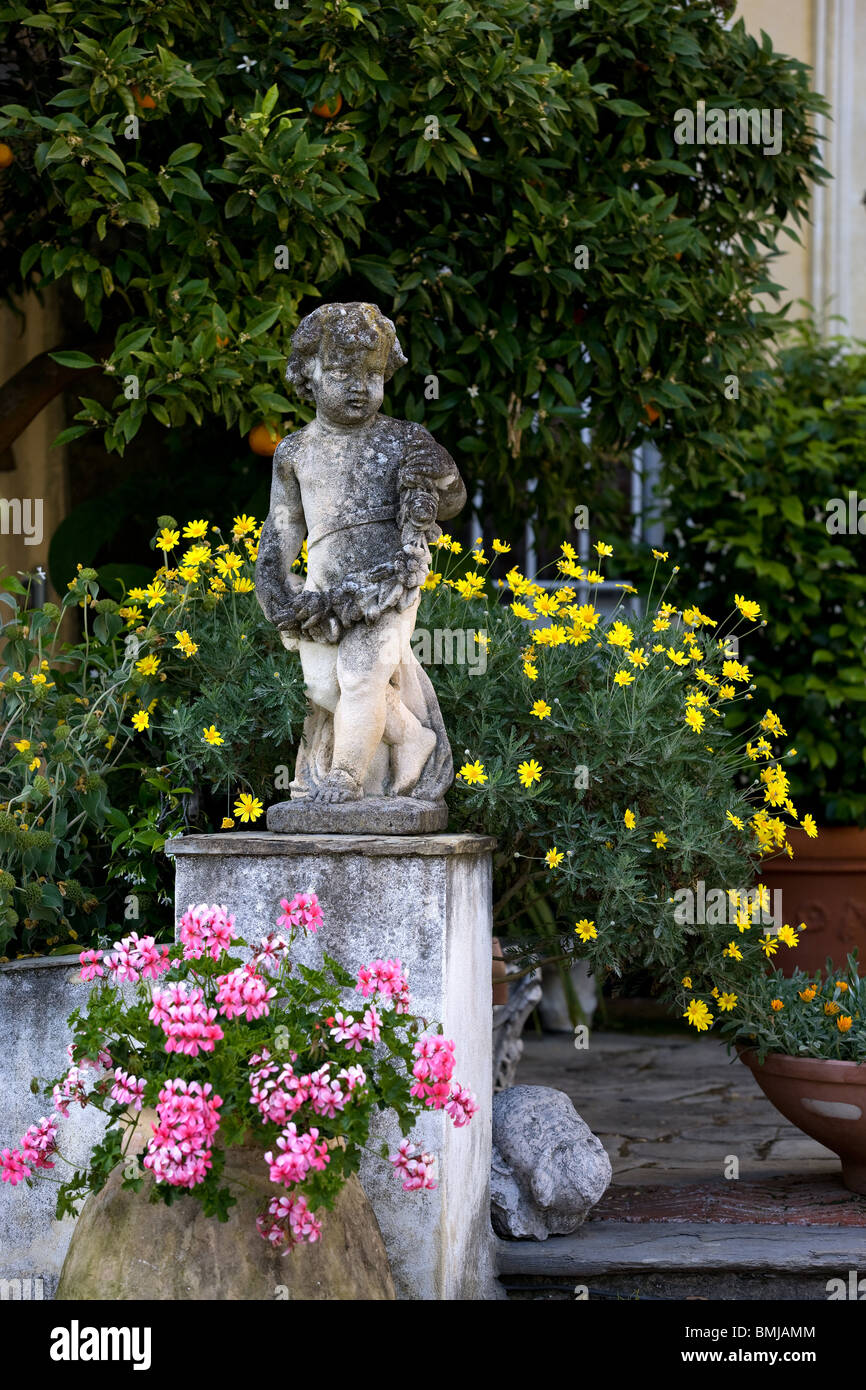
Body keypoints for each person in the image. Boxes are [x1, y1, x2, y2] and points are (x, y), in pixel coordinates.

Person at [255, 302, 466, 804]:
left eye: (372, 374)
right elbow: (280, 531)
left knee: (361, 674)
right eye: (342, 372)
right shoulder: (295, 452)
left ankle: (347, 776)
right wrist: (276, 591)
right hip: (322, 594)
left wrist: (438, 475)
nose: (359, 386)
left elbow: (453, 499)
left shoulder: (403, 440)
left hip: (389, 583)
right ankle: (412, 736)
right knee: (324, 687)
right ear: (309, 373)